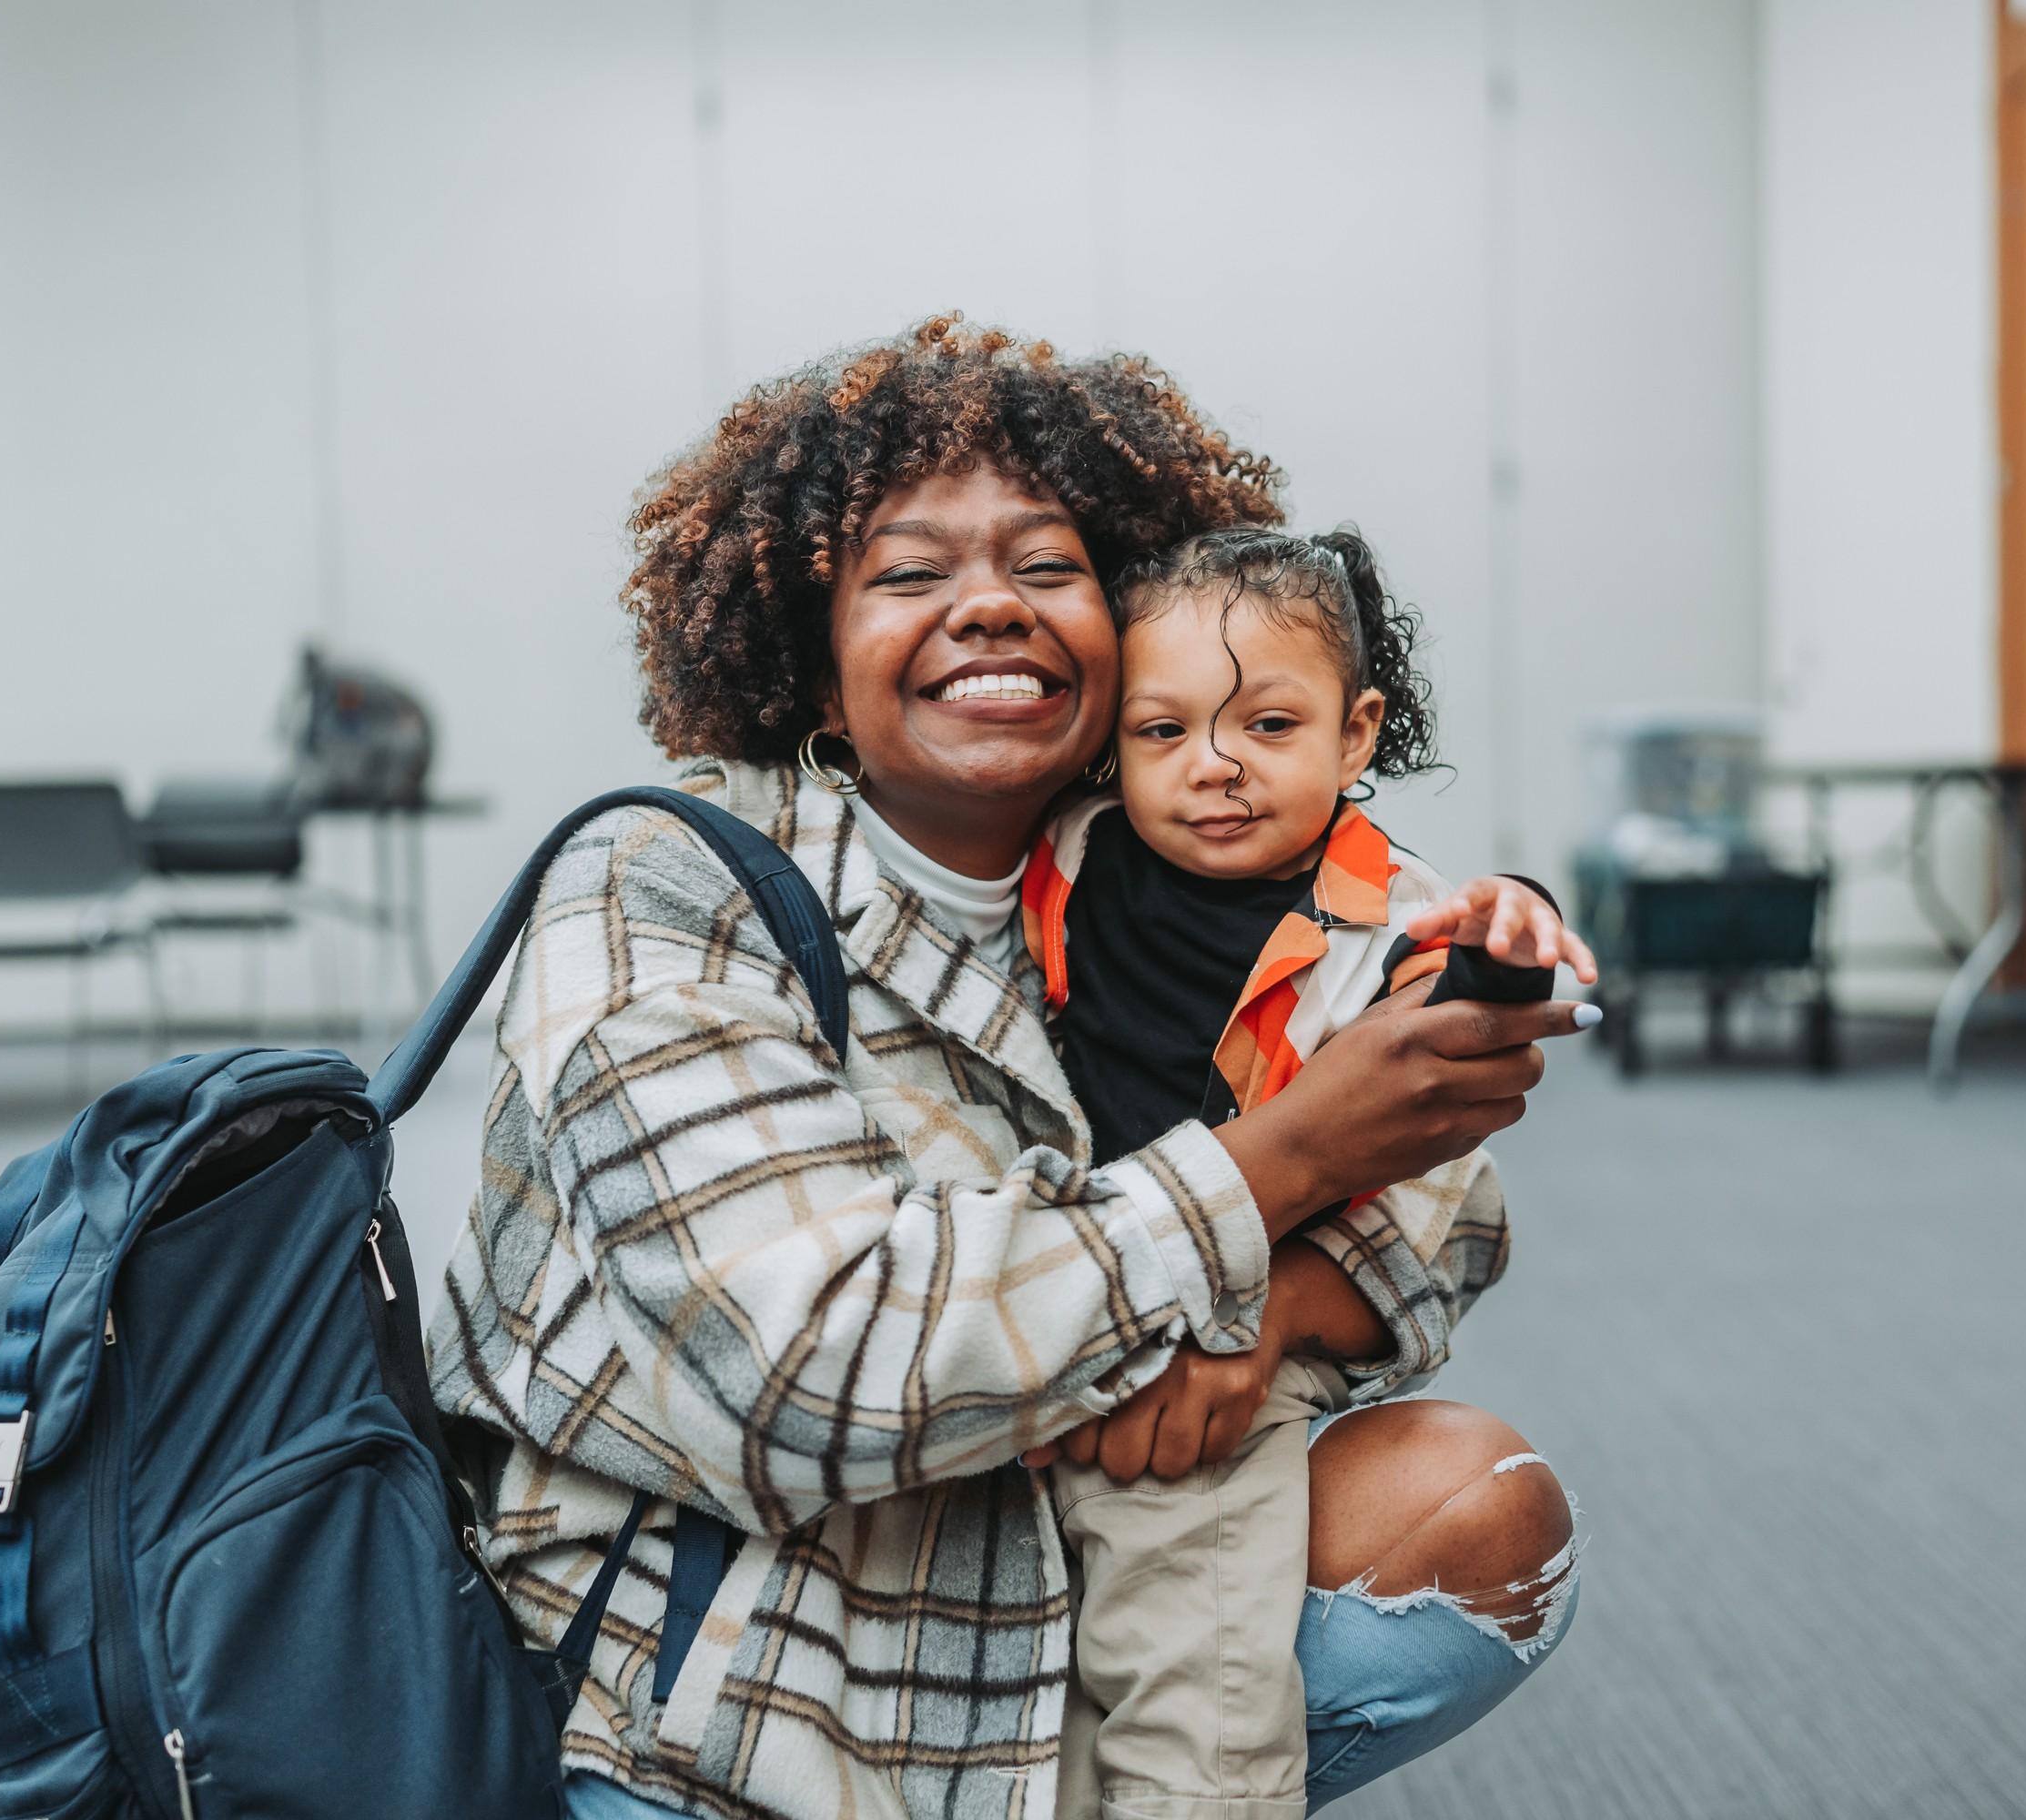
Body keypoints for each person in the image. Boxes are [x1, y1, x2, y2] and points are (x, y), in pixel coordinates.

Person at [427, 318, 1589, 1820]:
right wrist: (1276, 1170)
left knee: (1477, 1505)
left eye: (1049, 570)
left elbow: (1452, 1200)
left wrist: (1268, 1310)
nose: (989, 606)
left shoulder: (1153, 873)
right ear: (812, 668)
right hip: (723, 1710)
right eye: (911, 576)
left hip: (1062, 1598)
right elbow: (809, 1368)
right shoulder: (662, 879)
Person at [1021, 524, 1593, 1819]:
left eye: (1268, 726)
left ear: (1356, 732)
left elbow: (1456, 1000)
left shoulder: (1389, 909)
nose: (1212, 767)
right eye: (1164, 733)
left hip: (1233, 1324)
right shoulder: (1075, 845)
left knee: (1191, 1663)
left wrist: (1509, 928)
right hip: (1072, 1293)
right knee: (1039, 1690)